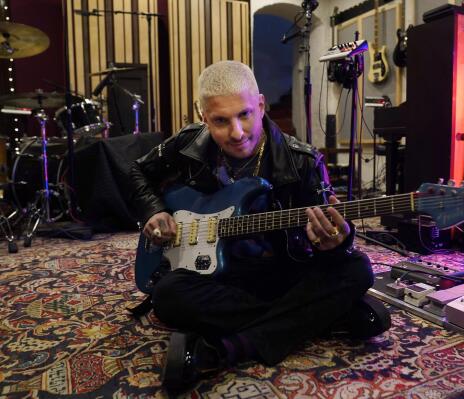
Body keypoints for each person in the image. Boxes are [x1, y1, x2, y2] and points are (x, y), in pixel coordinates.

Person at [129, 60, 390, 396]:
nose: (236, 132)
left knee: (357, 270)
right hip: (214, 276)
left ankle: (226, 349)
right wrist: (154, 210)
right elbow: (138, 172)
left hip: (280, 272)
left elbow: (335, 237)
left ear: (261, 105)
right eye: (220, 121)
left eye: (245, 115)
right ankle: (324, 318)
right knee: (166, 295)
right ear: (202, 114)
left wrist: (337, 241)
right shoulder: (187, 144)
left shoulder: (304, 161)